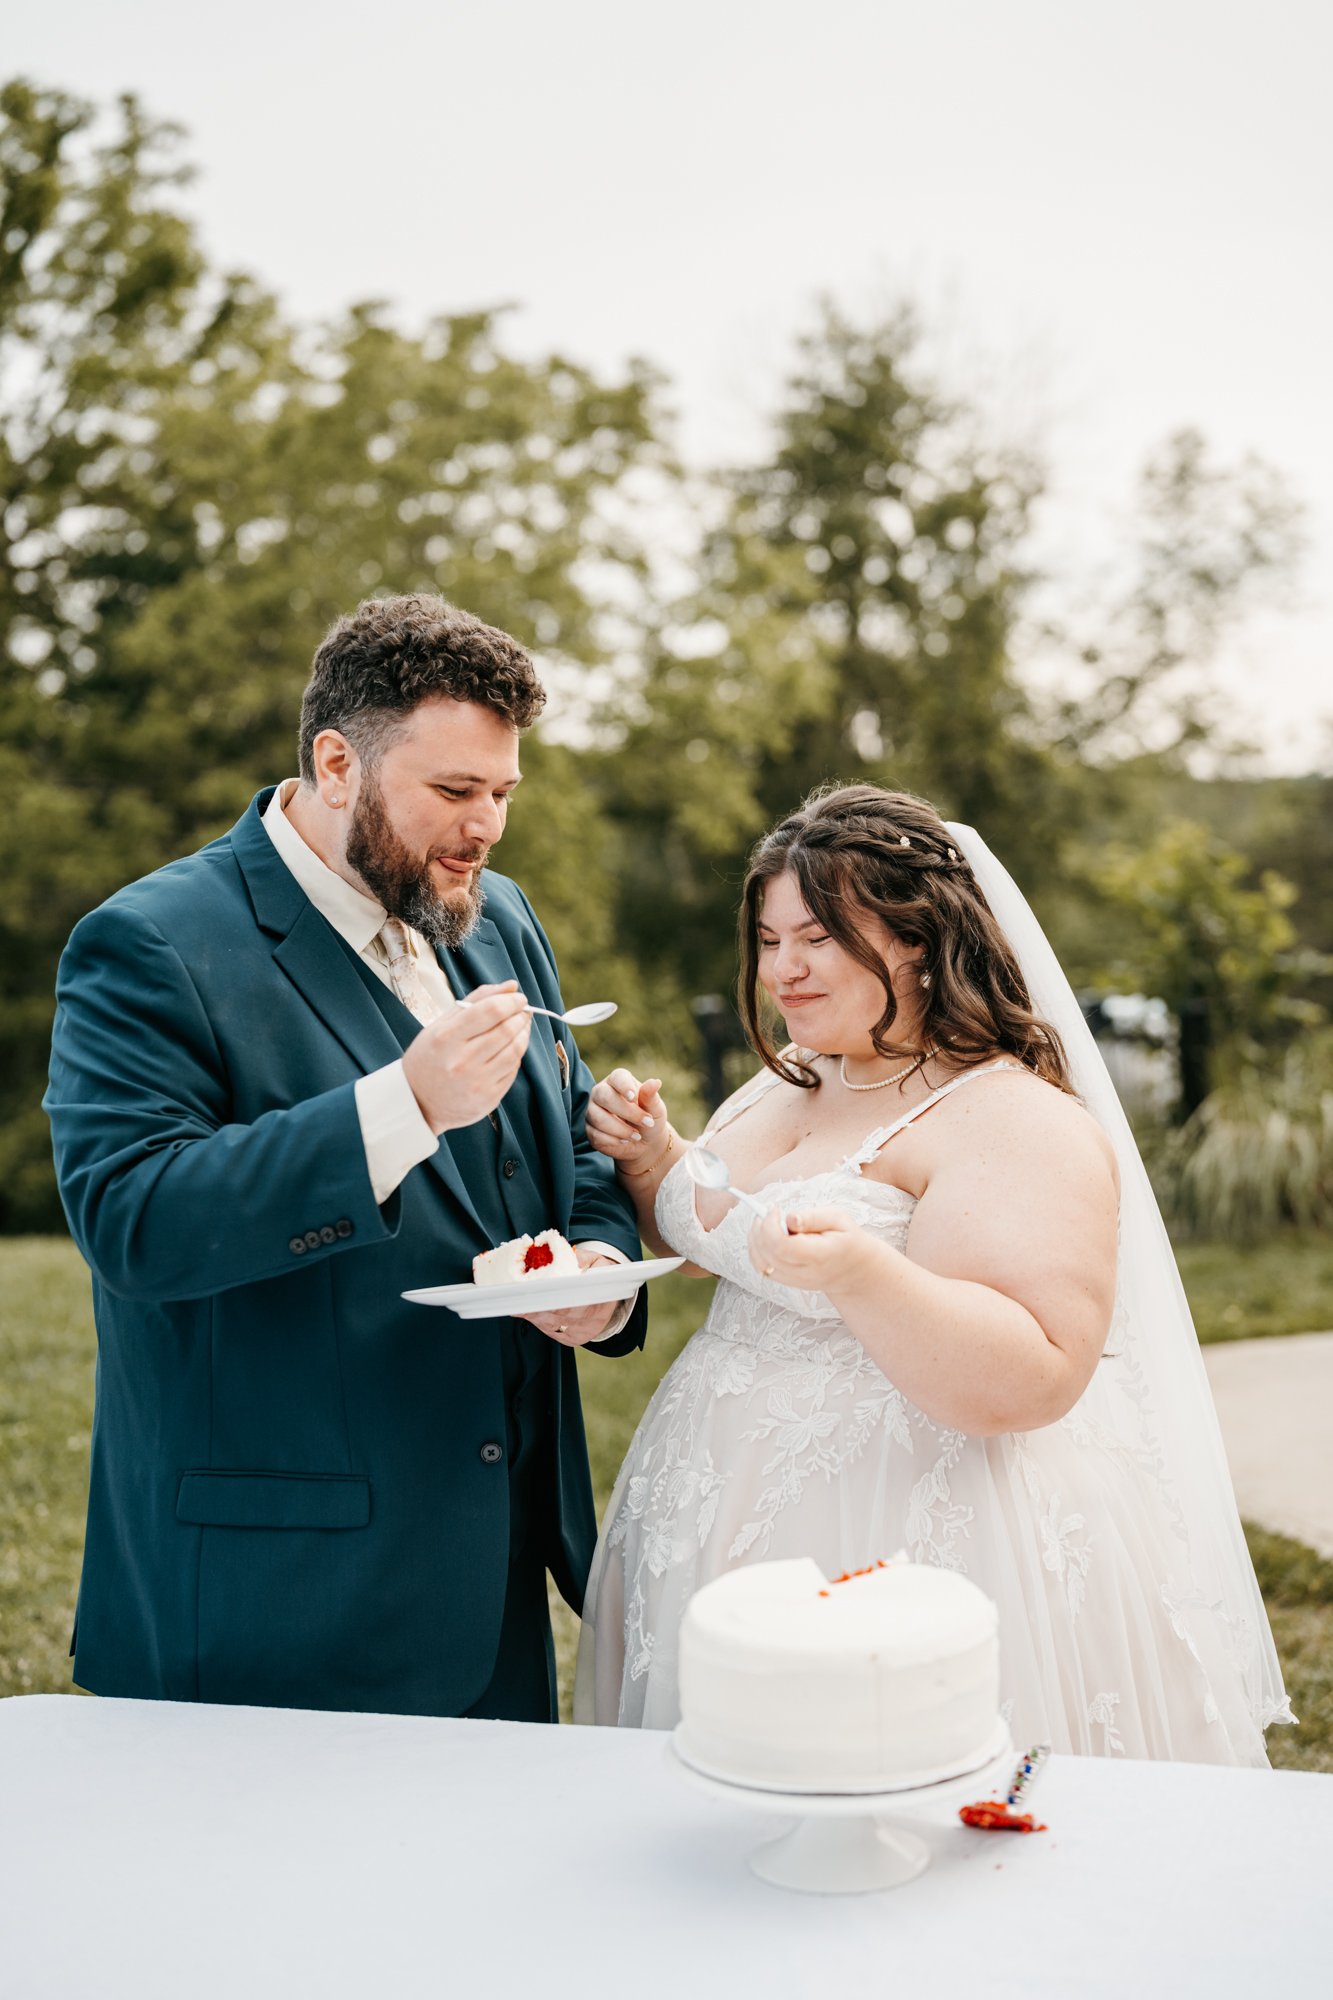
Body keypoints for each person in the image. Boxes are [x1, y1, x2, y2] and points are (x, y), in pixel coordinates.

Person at [575, 785, 1290, 1764]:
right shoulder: (796, 1068)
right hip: (713, 1493)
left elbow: (1035, 1373)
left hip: (912, 1517)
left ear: (913, 937)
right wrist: (655, 1156)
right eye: (771, 938)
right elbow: (725, 1228)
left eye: (818, 936)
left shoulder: (1011, 1117)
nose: (783, 968)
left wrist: (863, 1272)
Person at [45, 593, 646, 1722]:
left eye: (504, 791)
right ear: (335, 763)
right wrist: (402, 1105)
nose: (487, 827)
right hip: (274, 1599)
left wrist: (599, 1276)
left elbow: (564, 1141)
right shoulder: (149, 943)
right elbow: (132, 1220)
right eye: (455, 792)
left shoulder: (497, 916)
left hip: (490, 1579)